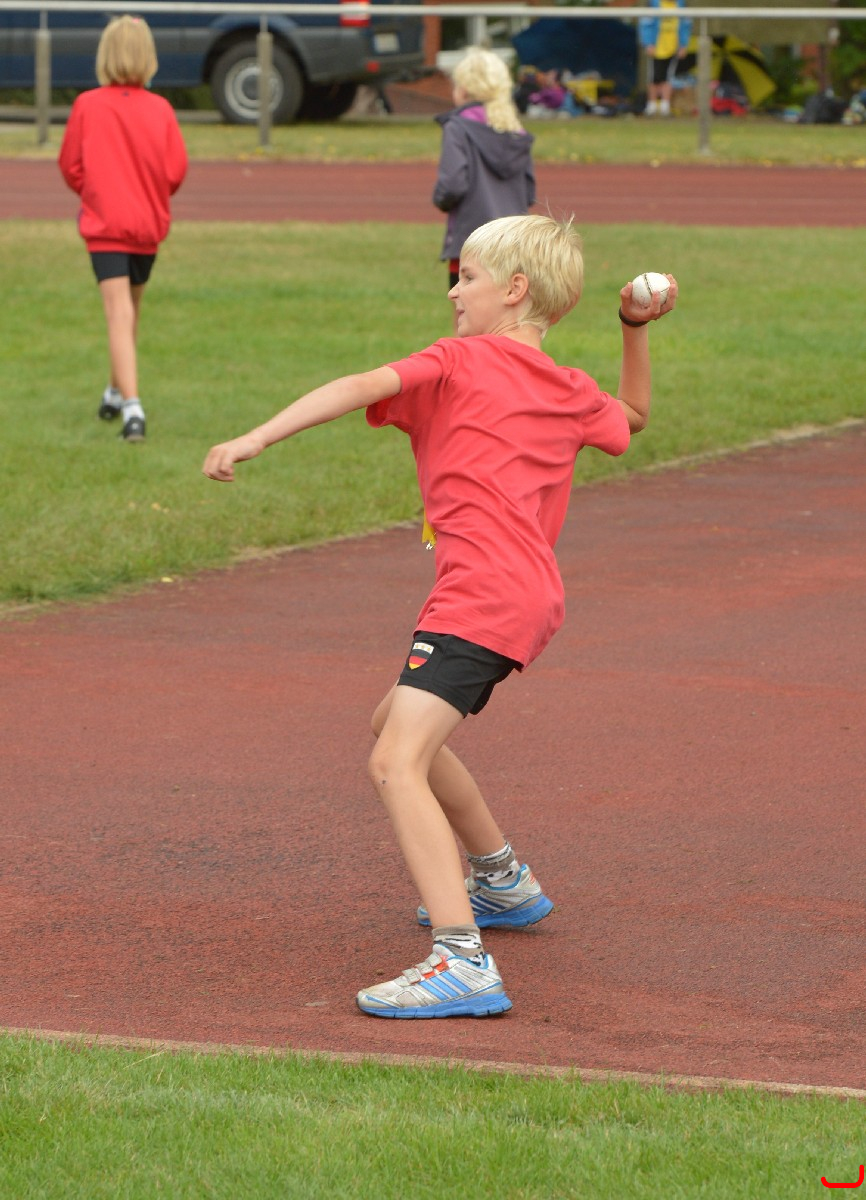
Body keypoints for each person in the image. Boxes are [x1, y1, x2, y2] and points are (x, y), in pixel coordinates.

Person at [202, 213, 678, 1019]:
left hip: (484, 592)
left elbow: (361, 386)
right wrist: (633, 329)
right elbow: (630, 418)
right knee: (391, 722)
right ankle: (501, 881)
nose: (455, 291)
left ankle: (462, 960)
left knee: (395, 761)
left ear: (515, 290)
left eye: (468, 277)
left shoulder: (458, 360)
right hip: (519, 591)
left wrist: (258, 436)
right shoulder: (567, 386)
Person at [58, 15, 188, 442]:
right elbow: (174, 171)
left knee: (120, 312)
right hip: (147, 223)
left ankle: (131, 407)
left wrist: (98, 191)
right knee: (128, 310)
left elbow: (71, 166)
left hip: (107, 224)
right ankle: (116, 393)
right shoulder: (161, 109)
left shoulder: (88, 105)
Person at [433, 47, 535, 290]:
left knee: (466, 313)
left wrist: (441, 199)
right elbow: (529, 192)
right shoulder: (516, 130)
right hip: (512, 246)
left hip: (470, 244)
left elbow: (452, 184)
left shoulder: (458, 128)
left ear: (464, 90)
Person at [639, 0, 692, 117]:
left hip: (673, 46)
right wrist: (648, 43)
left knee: (668, 77)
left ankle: (665, 106)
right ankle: (652, 106)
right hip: (657, 46)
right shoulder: (653, 4)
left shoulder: (681, 4)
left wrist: (683, 44)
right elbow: (646, 24)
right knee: (654, 77)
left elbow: (685, 26)